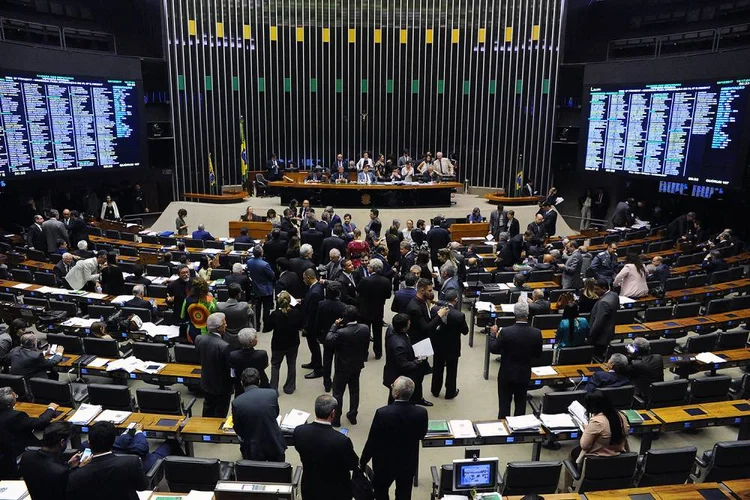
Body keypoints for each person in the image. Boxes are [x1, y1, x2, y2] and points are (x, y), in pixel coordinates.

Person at [361, 376, 428, 500]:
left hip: (384, 463)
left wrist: (363, 460)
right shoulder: (421, 413)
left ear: (395, 393)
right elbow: (421, 435)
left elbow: (372, 441)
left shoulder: (382, 413)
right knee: (404, 493)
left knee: (380, 492)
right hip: (407, 462)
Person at [293, 394, 360, 500]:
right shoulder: (341, 441)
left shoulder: (299, 431)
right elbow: (353, 464)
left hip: (310, 488)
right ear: (333, 413)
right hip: (337, 491)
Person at [488, 300, 542, 418]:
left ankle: (503, 432)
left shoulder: (506, 332)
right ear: (527, 314)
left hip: (506, 374)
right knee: (520, 405)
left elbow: (493, 348)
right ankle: (519, 433)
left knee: (504, 406)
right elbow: (538, 355)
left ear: (514, 314)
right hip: (524, 373)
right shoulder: (536, 333)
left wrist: (493, 334)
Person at [66, 421, 147, 500]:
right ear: (113, 442)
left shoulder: (76, 474)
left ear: (89, 444)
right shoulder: (131, 462)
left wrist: (74, 468)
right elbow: (142, 487)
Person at [326, 306, 369, 426]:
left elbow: (328, 340)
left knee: (338, 393)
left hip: (342, 367)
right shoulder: (365, 328)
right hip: (357, 364)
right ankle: (353, 415)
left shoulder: (341, 332)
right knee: (354, 391)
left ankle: (336, 419)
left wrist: (334, 326)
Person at [231, 367, 285, 461]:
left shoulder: (237, 403)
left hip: (253, 448)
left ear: (241, 383)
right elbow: (275, 414)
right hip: (274, 442)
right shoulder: (271, 394)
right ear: (259, 381)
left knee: (256, 474)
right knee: (278, 473)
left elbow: (238, 429)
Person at [569, 391, 630, 471]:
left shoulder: (597, 422)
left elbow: (584, 445)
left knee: (571, 456)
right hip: (619, 455)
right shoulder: (621, 415)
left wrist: (587, 429)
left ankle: (571, 482)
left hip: (597, 458)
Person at [19, 421, 81, 499]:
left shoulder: (26, 457)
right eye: (67, 441)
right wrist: (76, 469)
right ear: (62, 442)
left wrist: (68, 465)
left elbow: (44, 476)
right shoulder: (61, 471)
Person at [383, 313, 431, 406]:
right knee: (397, 397)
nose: (410, 324)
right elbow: (403, 365)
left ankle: (418, 398)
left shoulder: (391, 329)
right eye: (409, 323)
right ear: (404, 328)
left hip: (395, 369)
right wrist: (418, 361)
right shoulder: (399, 345)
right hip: (398, 375)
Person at [0, 387, 59, 459]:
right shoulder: (17, 416)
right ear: (9, 404)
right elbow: (40, 423)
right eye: (16, 397)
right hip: (20, 449)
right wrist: (51, 408)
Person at [431, 288, 468, 400]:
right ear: (456, 300)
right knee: (452, 371)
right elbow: (465, 331)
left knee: (437, 368)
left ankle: (435, 390)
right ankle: (450, 392)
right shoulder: (459, 315)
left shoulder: (435, 310)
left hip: (438, 345)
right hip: (453, 346)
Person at [194, 313, 232, 417]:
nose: (226, 325)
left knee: (207, 409)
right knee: (220, 413)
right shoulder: (224, 346)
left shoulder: (198, 339)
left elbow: (199, 358)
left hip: (206, 382)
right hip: (222, 387)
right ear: (219, 328)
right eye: (224, 323)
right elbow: (228, 369)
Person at [313, 282, 347, 392]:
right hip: (339, 336)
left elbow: (317, 321)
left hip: (326, 336)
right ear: (339, 293)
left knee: (327, 361)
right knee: (339, 361)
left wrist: (318, 335)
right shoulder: (343, 306)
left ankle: (327, 383)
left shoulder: (321, 304)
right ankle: (337, 382)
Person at [268, 292, 303, 394]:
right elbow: (300, 326)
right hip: (293, 343)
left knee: (275, 365)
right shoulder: (296, 313)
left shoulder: (274, 315)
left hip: (278, 344)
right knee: (291, 364)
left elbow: (268, 327)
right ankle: (290, 387)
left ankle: (273, 389)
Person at [357, 259, 392, 360]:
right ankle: (378, 353)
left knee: (365, 333)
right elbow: (388, 295)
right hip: (378, 310)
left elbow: (359, 292)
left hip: (365, 310)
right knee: (378, 332)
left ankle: (364, 354)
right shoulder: (386, 281)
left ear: (372, 268)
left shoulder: (364, 280)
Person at [112, 422, 183, 472]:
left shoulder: (105, 443)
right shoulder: (123, 441)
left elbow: (124, 441)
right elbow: (143, 448)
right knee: (172, 442)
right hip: (143, 465)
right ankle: (185, 466)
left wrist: (127, 433)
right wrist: (139, 431)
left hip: (122, 467)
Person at [228, 329, 269, 396]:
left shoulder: (233, 355)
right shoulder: (262, 354)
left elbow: (233, 371)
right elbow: (265, 365)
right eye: (255, 337)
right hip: (261, 383)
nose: (257, 339)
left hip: (241, 385)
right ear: (252, 342)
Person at [301, 268, 325, 379]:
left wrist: (307, 327)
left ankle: (318, 369)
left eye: (304, 278)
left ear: (309, 278)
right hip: (312, 324)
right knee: (312, 346)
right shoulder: (315, 287)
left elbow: (312, 313)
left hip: (312, 326)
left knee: (314, 346)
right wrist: (301, 300)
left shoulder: (315, 292)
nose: (303, 280)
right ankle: (314, 362)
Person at [245, 246, 275, 332]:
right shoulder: (265, 264)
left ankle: (257, 326)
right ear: (261, 253)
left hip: (255, 288)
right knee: (266, 309)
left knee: (257, 309)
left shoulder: (249, 262)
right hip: (266, 290)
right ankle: (265, 327)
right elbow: (272, 276)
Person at [588, 279, 620, 358]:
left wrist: (590, 336)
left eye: (597, 289)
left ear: (604, 288)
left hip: (601, 336)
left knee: (596, 356)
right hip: (609, 331)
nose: (595, 291)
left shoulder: (603, 302)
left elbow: (598, 322)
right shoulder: (614, 295)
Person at [217, 283, 256, 348]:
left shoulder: (220, 306)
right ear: (238, 294)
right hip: (243, 338)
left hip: (226, 338)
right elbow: (251, 314)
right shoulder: (244, 306)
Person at [181, 277, 217, 343]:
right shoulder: (211, 301)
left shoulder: (187, 300)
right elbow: (215, 319)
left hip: (192, 332)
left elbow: (183, 316)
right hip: (208, 334)